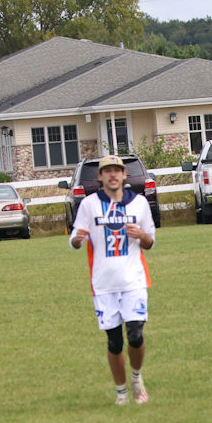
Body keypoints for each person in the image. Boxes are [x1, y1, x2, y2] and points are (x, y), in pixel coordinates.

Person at [69, 156, 156, 405]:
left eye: (117, 170)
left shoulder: (139, 204)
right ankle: (121, 393)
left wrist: (141, 235)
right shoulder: (89, 205)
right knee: (114, 342)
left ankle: (136, 377)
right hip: (103, 283)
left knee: (135, 334)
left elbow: (150, 242)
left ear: (124, 175)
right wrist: (77, 240)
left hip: (133, 280)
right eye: (107, 171)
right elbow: (74, 239)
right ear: (100, 176)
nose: (113, 175)